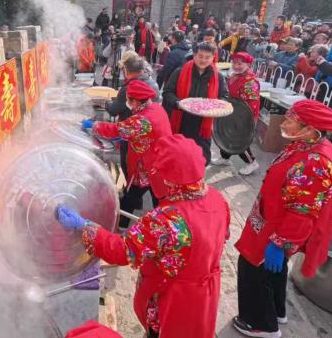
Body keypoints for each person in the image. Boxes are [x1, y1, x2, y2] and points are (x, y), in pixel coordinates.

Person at [56, 134, 230, 338]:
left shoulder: (167, 220)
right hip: (204, 295)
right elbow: (219, 237)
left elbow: (122, 251)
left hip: (173, 299)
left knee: (167, 331)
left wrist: (84, 226)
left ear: (169, 179)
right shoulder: (217, 198)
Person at [234, 100, 332, 338]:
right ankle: (276, 311)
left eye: (291, 121)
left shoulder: (315, 162)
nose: (284, 124)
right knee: (272, 270)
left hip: (278, 228)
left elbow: (303, 212)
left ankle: (261, 324)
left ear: (310, 128)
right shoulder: (306, 145)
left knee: (253, 269)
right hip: (272, 218)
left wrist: (280, 243)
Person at [87, 80, 171, 227]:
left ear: (136, 101)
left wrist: (94, 125)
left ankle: (123, 226)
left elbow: (116, 130)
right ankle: (164, 223)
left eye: (128, 100)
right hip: (160, 161)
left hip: (147, 166)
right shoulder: (156, 108)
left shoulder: (141, 121)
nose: (127, 103)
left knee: (135, 196)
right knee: (157, 196)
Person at [163, 42, 228, 164]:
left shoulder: (218, 77)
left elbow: (224, 96)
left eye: (207, 57)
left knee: (201, 159)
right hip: (181, 121)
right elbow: (167, 92)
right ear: (194, 55)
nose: (203, 60)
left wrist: (215, 107)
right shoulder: (180, 72)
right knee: (179, 157)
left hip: (203, 125)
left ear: (213, 58)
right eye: (200, 56)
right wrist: (178, 103)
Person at [211, 52, 260, 175]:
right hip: (231, 113)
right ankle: (225, 158)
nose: (236, 66)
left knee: (239, 140)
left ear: (248, 65)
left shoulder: (250, 81)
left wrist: (244, 119)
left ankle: (252, 162)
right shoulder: (234, 75)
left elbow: (252, 104)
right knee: (225, 135)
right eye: (234, 63)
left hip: (243, 117)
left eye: (240, 64)